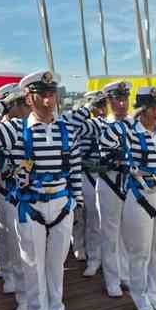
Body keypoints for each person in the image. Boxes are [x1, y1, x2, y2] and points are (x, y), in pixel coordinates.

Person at [0, 70, 84, 310]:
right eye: (41, 95)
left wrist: (76, 202)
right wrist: (3, 104)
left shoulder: (67, 129)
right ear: (28, 98)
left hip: (61, 205)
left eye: (51, 94)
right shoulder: (13, 131)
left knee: (56, 267)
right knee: (32, 267)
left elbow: (75, 169)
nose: (48, 101)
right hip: (30, 206)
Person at [100, 87, 156, 310]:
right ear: (142, 110)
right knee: (140, 251)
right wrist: (129, 122)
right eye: (151, 108)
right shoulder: (128, 131)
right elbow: (105, 145)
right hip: (140, 195)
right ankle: (140, 295)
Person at [0, 83, 31, 310]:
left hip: (21, 190)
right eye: (17, 103)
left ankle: (17, 275)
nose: (23, 108)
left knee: (17, 237)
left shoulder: (28, 126)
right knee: (0, 230)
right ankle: (3, 267)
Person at [94, 80, 133, 297]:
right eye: (118, 99)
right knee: (110, 234)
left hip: (130, 184)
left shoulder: (135, 124)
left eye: (125, 98)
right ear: (108, 101)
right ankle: (112, 279)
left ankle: (126, 274)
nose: (122, 103)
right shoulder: (99, 125)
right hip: (109, 182)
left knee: (127, 233)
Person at [66, 90, 107, 277]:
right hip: (79, 175)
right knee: (80, 216)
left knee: (94, 219)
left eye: (102, 104)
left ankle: (94, 255)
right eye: (98, 104)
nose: (101, 108)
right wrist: (88, 109)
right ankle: (79, 247)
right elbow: (72, 125)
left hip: (97, 175)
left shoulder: (103, 123)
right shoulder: (80, 122)